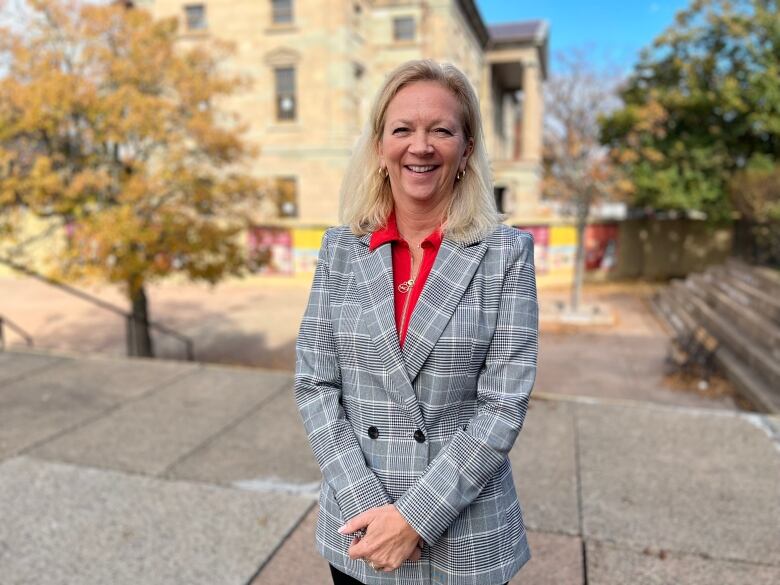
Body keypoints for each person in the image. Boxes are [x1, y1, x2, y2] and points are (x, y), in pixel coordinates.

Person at [294, 59, 538, 585]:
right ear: (380, 147)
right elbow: (314, 384)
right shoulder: (340, 250)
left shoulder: (506, 255)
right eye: (402, 129)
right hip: (360, 527)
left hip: (465, 533)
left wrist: (416, 518)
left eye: (441, 130)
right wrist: (371, 508)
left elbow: (503, 405)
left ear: (466, 149)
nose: (420, 146)